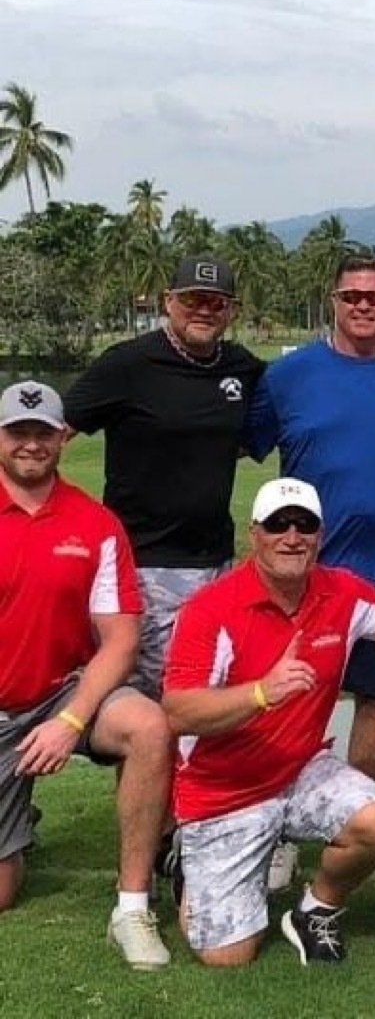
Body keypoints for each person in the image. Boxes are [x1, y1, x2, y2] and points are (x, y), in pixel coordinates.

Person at [161, 478, 375, 967]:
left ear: (320, 535)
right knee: (227, 957)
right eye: (278, 524)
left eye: (304, 525)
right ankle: (191, 863)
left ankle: (317, 908)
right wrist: (259, 693)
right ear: (256, 534)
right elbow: (178, 710)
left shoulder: (341, 593)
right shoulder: (212, 608)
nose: (292, 536)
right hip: (224, 790)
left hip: (298, 770)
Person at [245, 255, 375, 784]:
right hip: (306, 569)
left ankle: (360, 816)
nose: (364, 305)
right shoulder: (289, 375)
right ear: (334, 302)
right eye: (353, 297)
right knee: (289, 694)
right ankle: (280, 829)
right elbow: (241, 442)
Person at [0, 381, 173, 970]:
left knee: (148, 725)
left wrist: (70, 721)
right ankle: (20, 827)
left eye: (41, 433)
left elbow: (121, 639)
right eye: (17, 433)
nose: (30, 445)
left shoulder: (94, 523)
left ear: (62, 438)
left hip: (65, 691)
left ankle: (131, 906)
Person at [64, 255, 265, 701]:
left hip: (216, 564)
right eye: (193, 299)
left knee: (209, 701)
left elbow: (292, 397)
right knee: (155, 710)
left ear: (231, 311)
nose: (204, 310)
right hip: (144, 562)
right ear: (168, 302)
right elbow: (50, 433)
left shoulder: (242, 368)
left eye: (217, 302)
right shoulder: (128, 364)